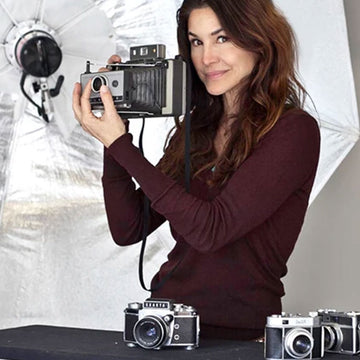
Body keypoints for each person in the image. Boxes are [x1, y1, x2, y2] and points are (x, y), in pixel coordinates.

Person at [73, 0, 320, 341]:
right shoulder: (198, 129)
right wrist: (117, 126)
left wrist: (121, 146)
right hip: (163, 325)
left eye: (222, 39)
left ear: (258, 41)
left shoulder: (293, 131)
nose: (206, 59)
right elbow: (129, 226)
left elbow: (212, 230)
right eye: (196, 41)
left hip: (241, 336)